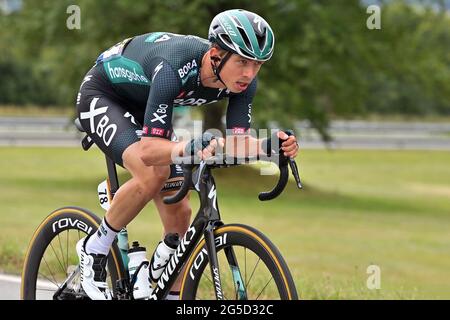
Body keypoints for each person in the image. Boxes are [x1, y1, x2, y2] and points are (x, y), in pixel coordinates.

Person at [75, 8, 299, 300]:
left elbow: (236, 143)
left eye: (257, 65)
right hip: (104, 95)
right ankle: (95, 249)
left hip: (147, 105)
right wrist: (186, 148)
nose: (249, 73)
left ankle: (167, 289)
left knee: (181, 212)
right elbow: (149, 151)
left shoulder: (243, 84)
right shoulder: (174, 66)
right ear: (216, 54)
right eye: (243, 62)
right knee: (154, 172)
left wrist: (271, 147)